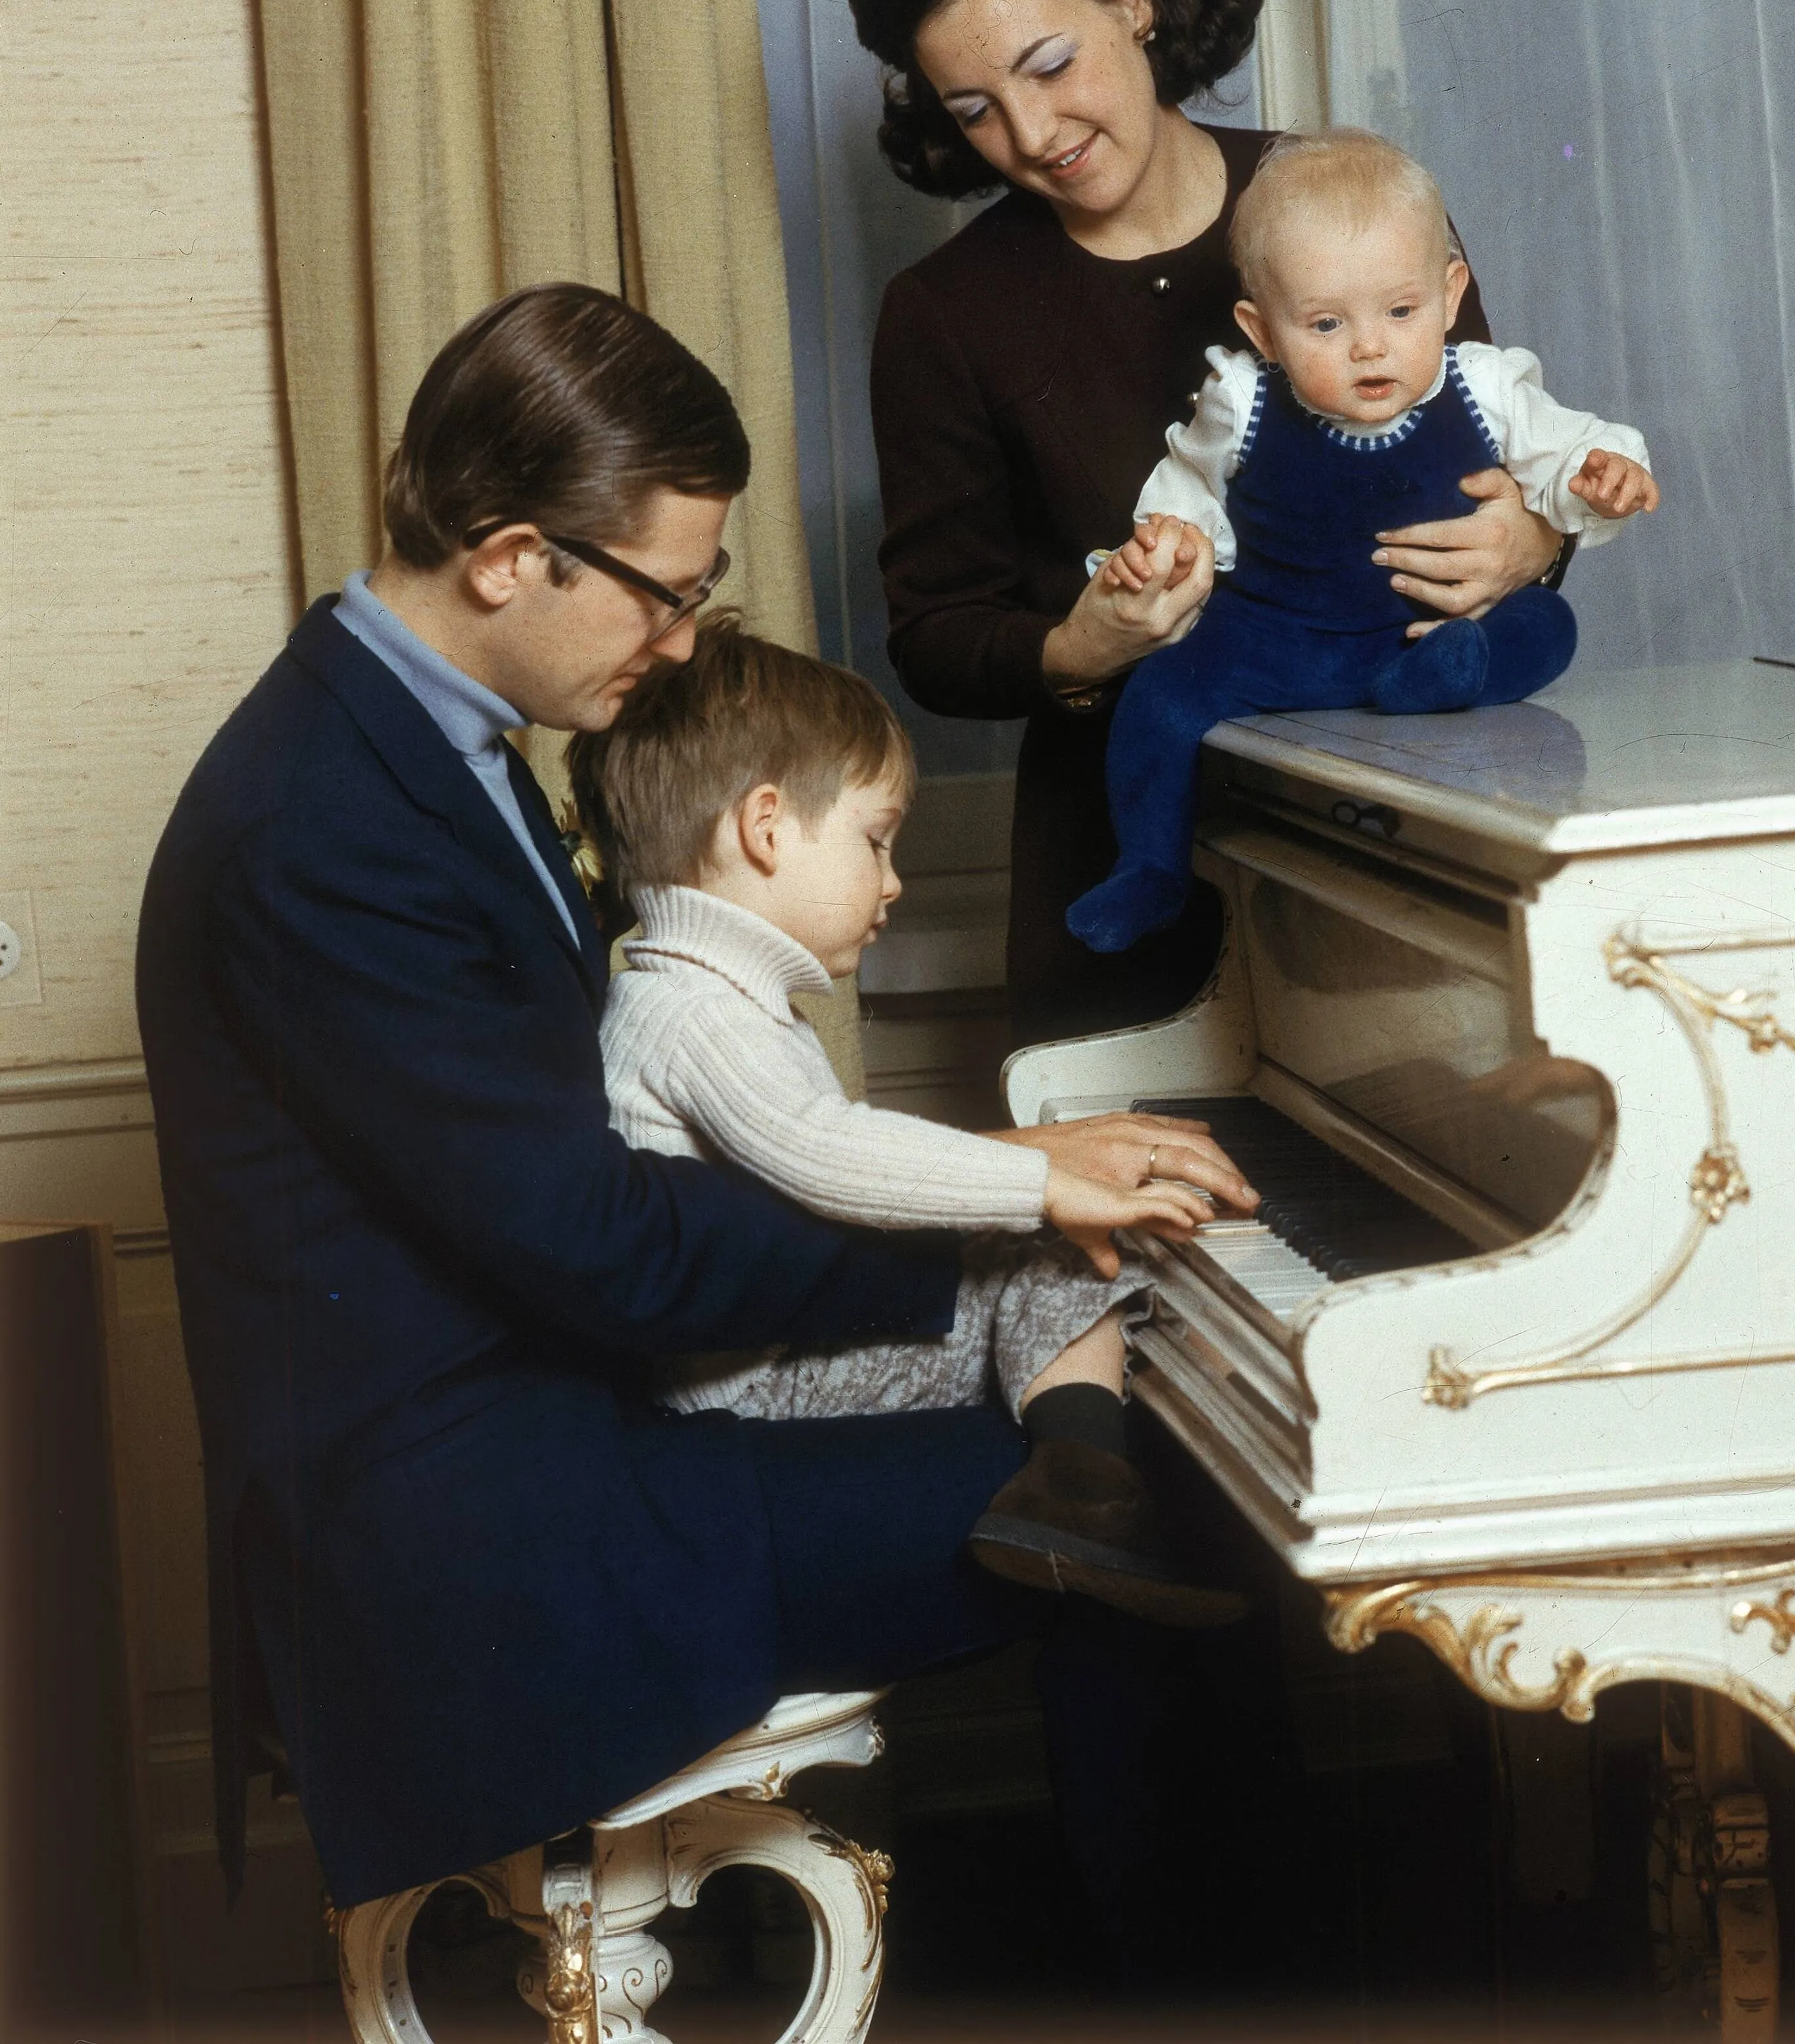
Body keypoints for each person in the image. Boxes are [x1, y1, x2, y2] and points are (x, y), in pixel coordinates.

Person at [133, 282, 1249, 1913]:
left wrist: (979, 1208)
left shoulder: (418, 743)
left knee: (1114, 1469)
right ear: (513, 556)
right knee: (1168, 1500)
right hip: (474, 1536)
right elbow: (604, 1247)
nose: (680, 639)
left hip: (557, 1428)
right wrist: (986, 1204)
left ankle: (1170, 1955)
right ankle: (1193, 1966)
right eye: (666, 593)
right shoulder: (324, 825)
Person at [846, 0, 1569, 1045]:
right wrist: (1077, 646)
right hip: (1119, 878)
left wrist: (1533, 542)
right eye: (974, 108)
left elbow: (1503, 438)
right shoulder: (943, 315)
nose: (1030, 137)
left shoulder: (1350, 199)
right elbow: (937, 636)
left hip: (1407, 849)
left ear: (1131, 0)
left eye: (1050, 64)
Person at [567, 617, 1249, 1626]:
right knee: (1072, 1255)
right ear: (766, 827)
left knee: (1046, 1253)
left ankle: (1079, 1471)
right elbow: (827, 1155)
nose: (893, 882)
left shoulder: (699, 992)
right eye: (875, 840)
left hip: (766, 1357)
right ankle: (1090, 1487)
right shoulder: (693, 1013)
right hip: (755, 1391)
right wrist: (1047, 1184)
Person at [1070, 128, 1659, 951]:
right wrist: (1165, 545)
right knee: (1161, 695)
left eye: (1401, 310)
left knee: (1548, 628)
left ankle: (1449, 674)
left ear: (1450, 295)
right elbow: (1188, 490)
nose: (1370, 345)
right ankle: (1151, 869)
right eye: (1325, 324)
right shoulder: (1242, 400)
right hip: (1279, 642)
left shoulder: (1484, 383)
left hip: (1429, 630)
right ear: (1264, 331)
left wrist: (1603, 475)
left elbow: (1569, 450)